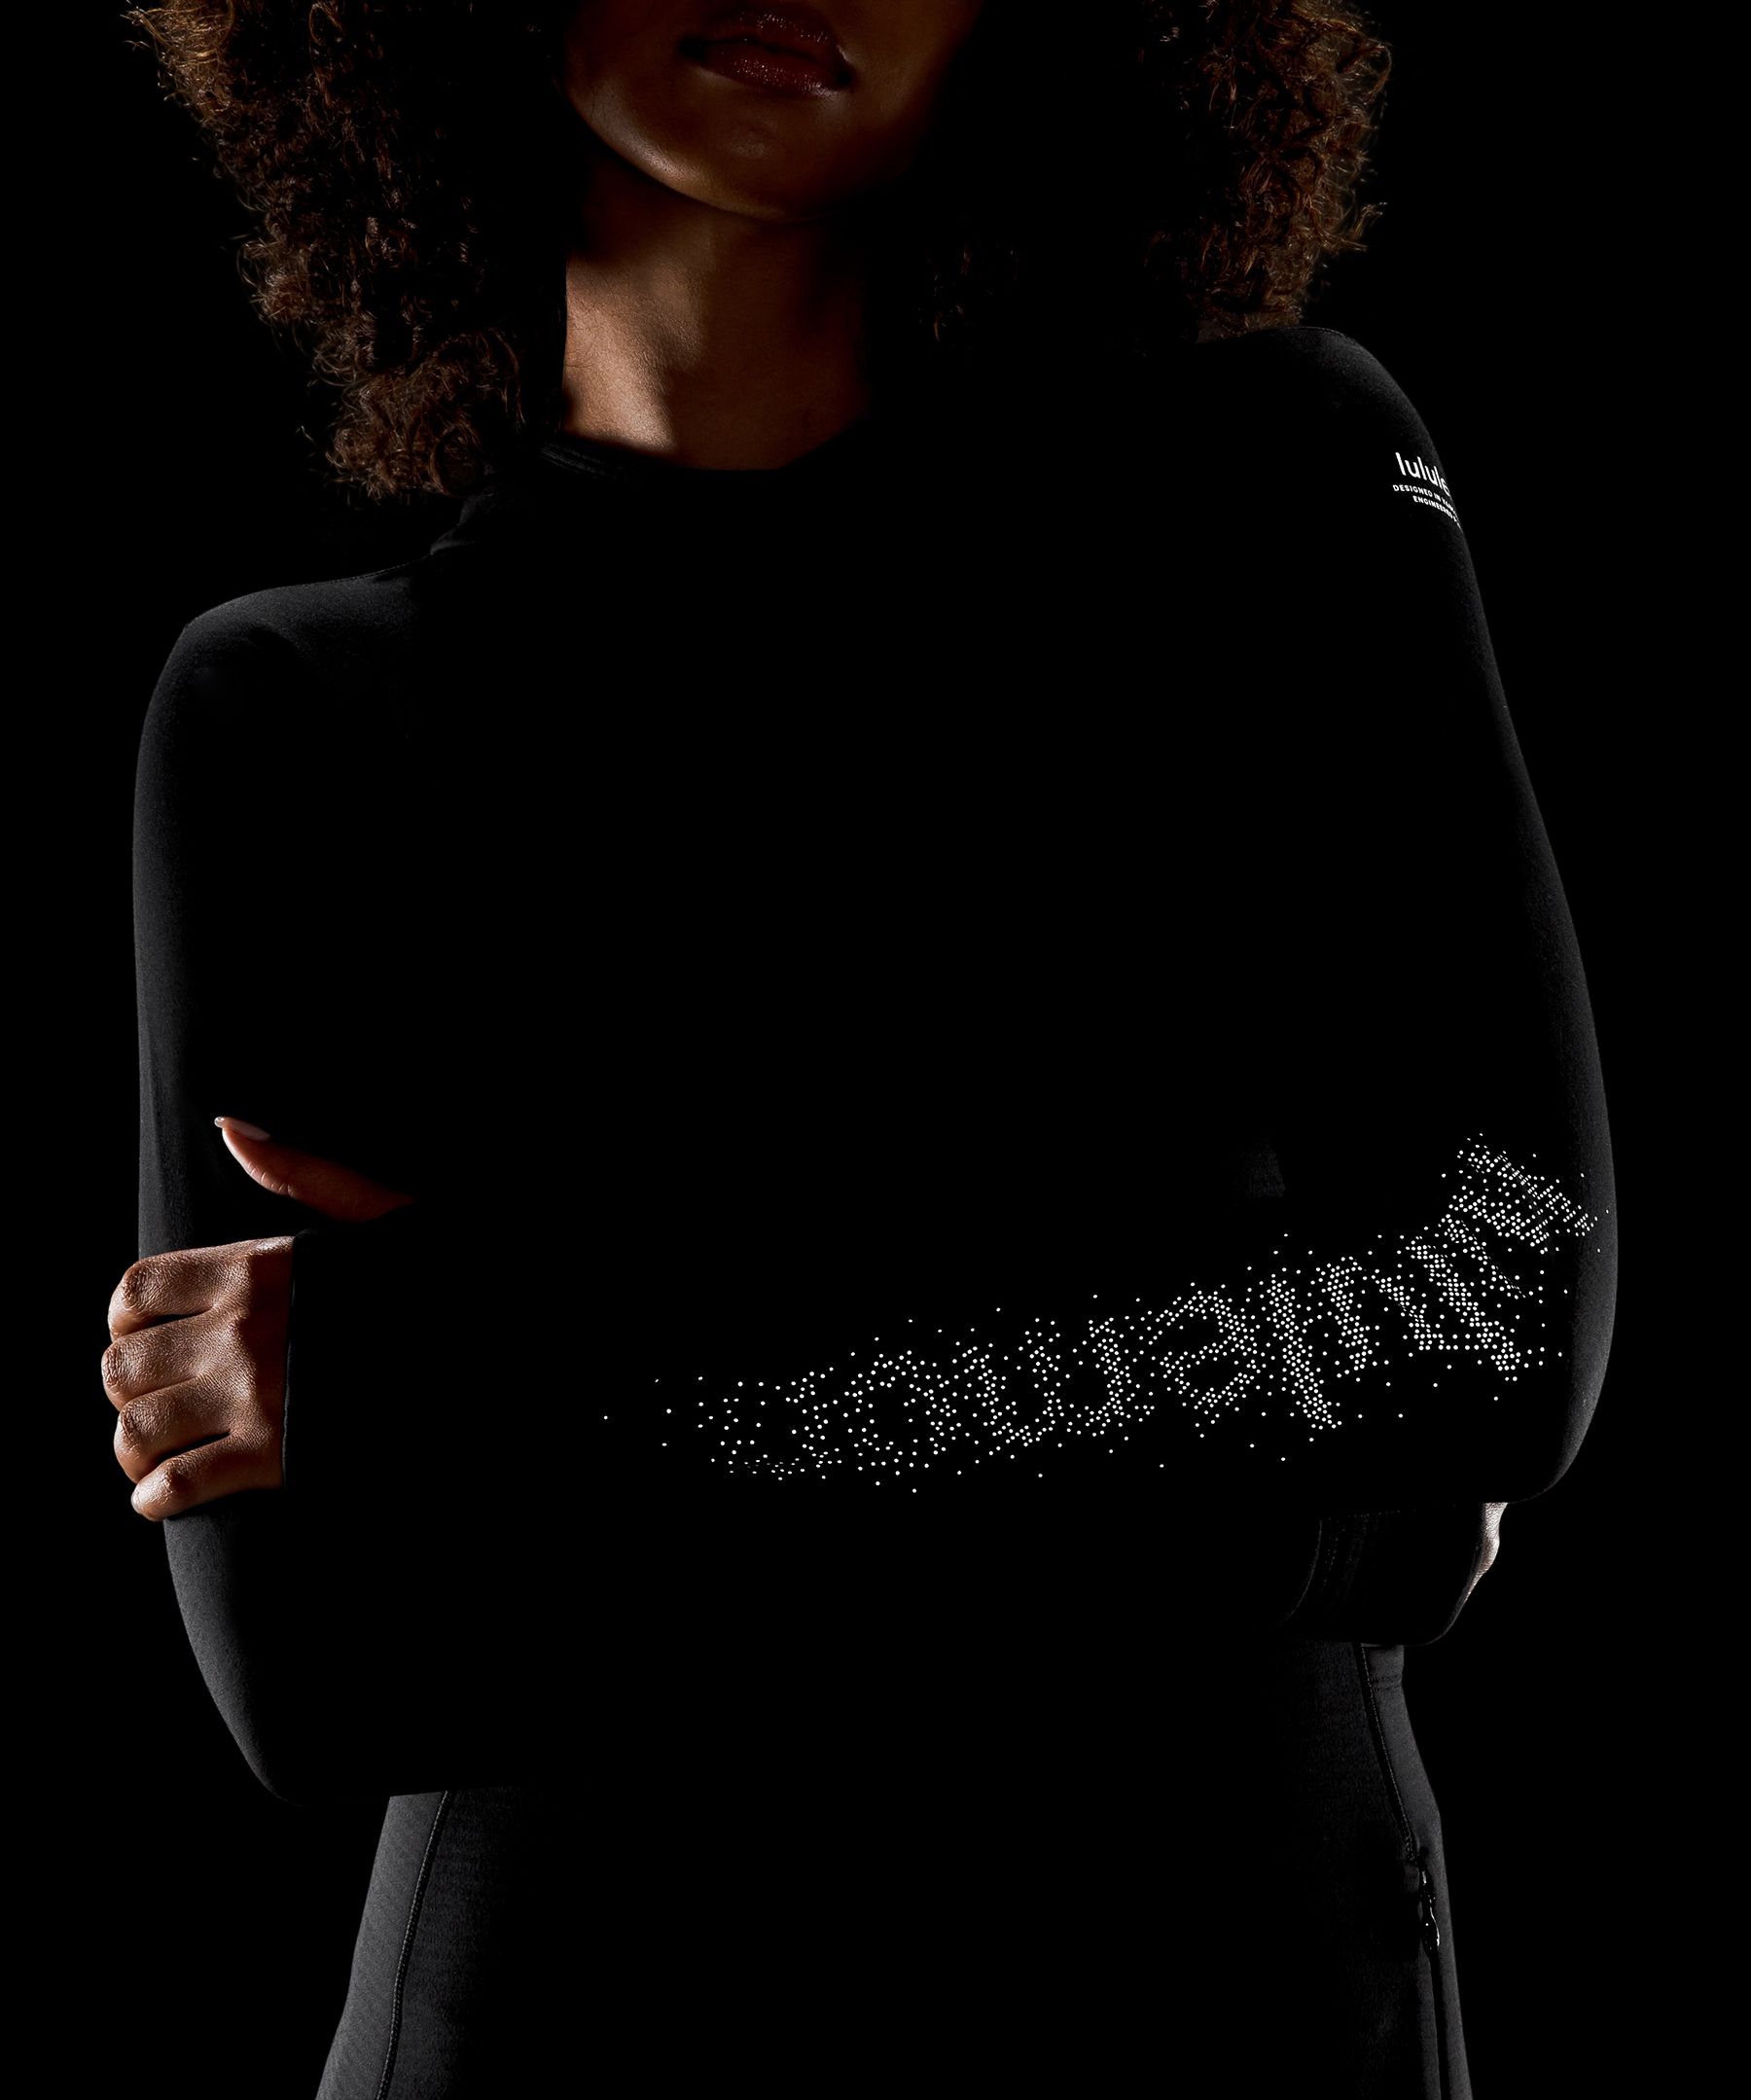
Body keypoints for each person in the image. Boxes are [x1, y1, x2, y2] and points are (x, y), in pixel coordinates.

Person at [107, 5, 1617, 2095]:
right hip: (572, 2023)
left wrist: (503, 1376)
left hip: (1231, 1998)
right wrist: (1319, 1519)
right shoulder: (291, 706)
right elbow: (338, 1680)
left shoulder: (1274, 482)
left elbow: (1486, 1312)